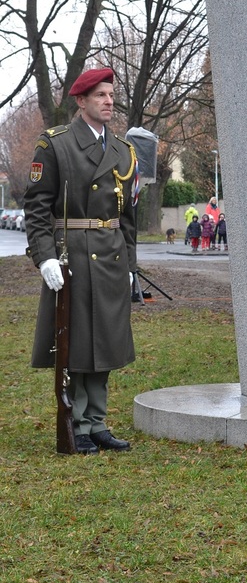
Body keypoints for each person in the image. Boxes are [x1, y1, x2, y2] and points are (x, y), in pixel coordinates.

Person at [24, 67, 138, 454]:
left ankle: (98, 422)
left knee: (105, 339)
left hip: (110, 253)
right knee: (75, 341)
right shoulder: (55, 144)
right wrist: (43, 258)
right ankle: (77, 422)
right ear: (81, 101)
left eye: (111, 95)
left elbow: (129, 217)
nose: (109, 102)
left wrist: (130, 267)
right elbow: (37, 207)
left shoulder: (124, 150)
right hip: (70, 253)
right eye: (101, 96)